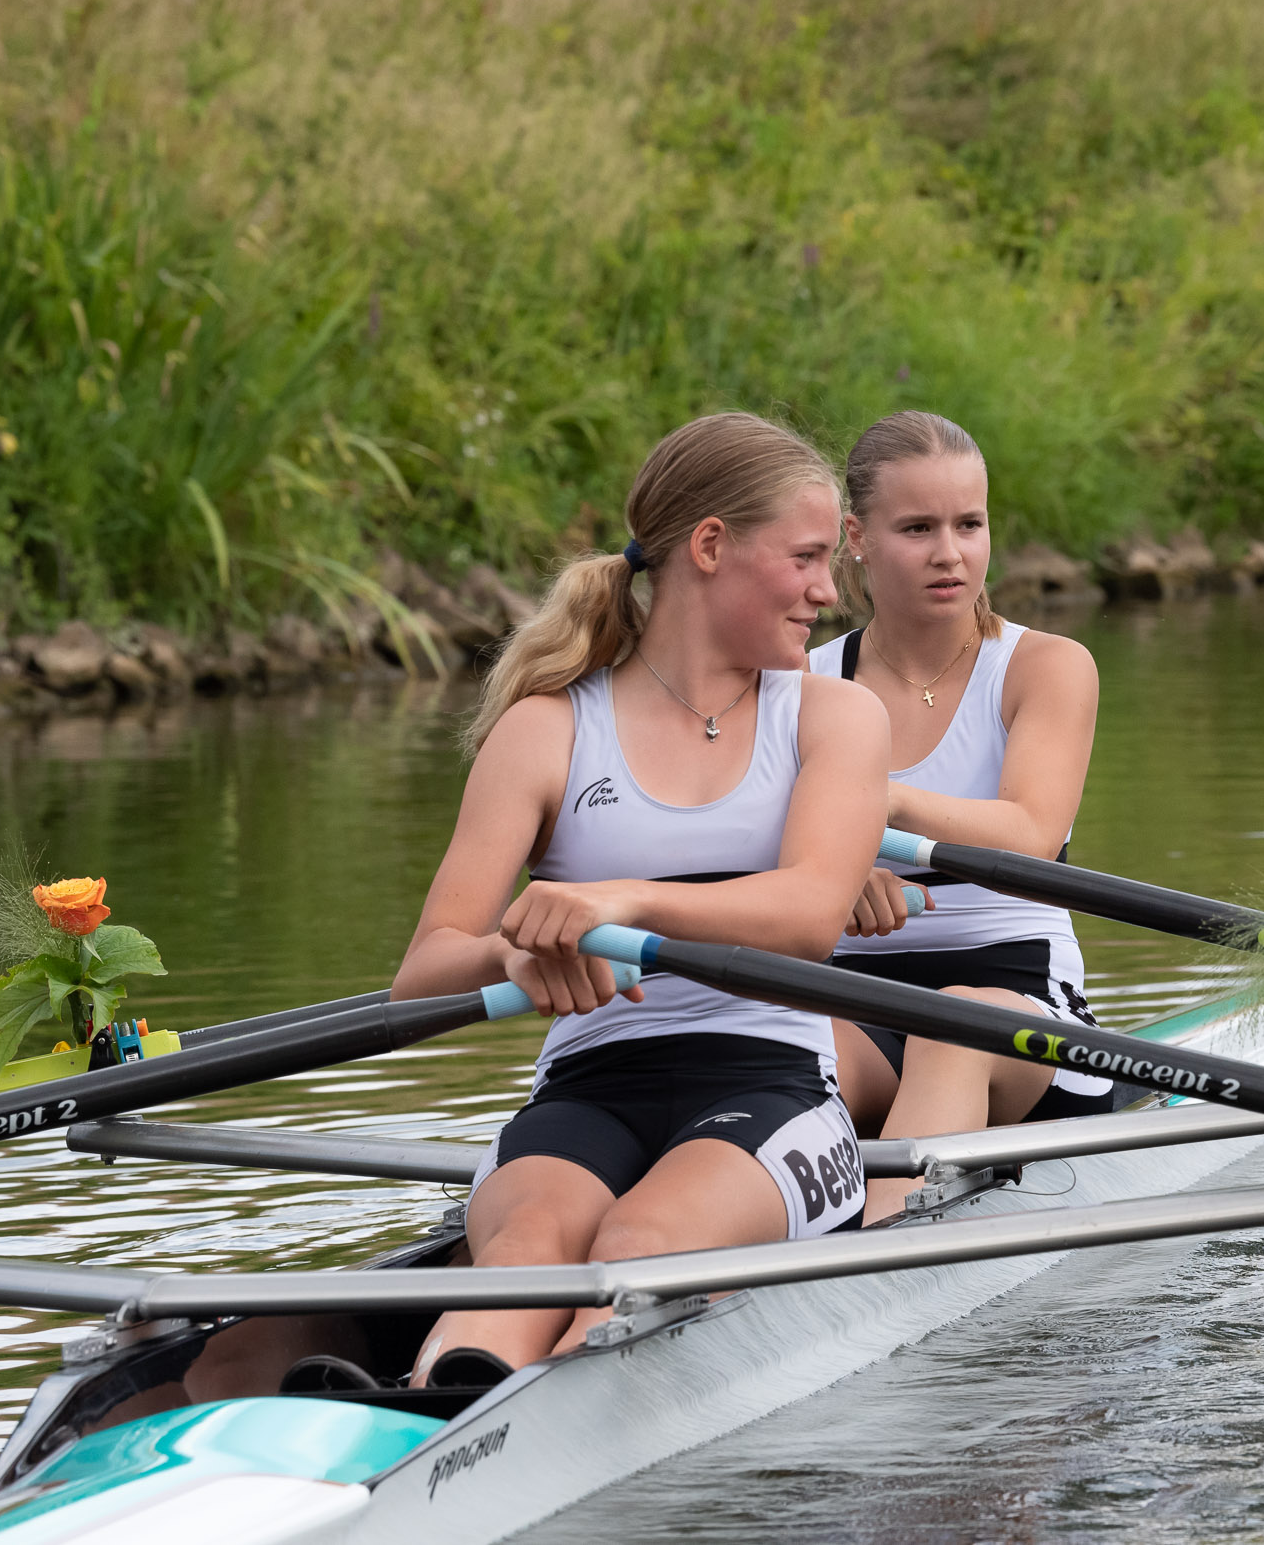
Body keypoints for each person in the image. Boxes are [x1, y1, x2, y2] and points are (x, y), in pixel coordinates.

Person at [377, 413, 890, 1387]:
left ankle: (504, 1439)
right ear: (709, 547)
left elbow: (811, 913)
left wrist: (617, 901)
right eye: (808, 556)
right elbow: (423, 972)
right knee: (529, 1242)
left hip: (768, 1084)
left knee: (639, 1237)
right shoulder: (546, 728)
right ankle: (425, 1417)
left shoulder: (832, 714)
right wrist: (510, 955)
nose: (830, 592)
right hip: (587, 1086)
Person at [808, 410, 1107, 1225]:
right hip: (845, 991)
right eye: (918, 527)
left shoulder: (1044, 667)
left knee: (954, 1031)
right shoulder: (801, 684)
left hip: (1016, 1000)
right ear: (855, 537)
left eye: (969, 523)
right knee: (782, 1056)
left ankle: (870, 1253)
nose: (951, 552)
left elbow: (1032, 830)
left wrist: (878, 803)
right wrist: (834, 867)